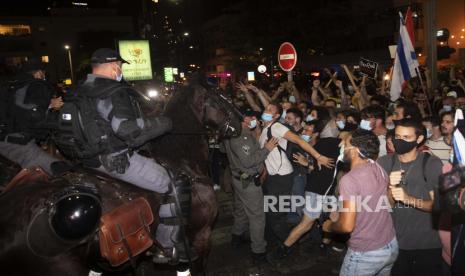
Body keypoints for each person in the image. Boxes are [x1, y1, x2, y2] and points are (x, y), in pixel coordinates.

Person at [58, 48, 189, 264]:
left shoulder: (78, 89)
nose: (120, 70)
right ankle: (168, 247)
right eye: (120, 65)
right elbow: (125, 129)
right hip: (114, 160)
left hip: (85, 159)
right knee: (175, 183)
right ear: (113, 66)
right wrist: (162, 123)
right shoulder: (112, 90)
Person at [322, 129, 398, 276]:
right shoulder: (377, 167)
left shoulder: (349, 180)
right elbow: (382, 203)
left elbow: (346, 226)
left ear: (355, 150)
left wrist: (329, 226)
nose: (341, 147)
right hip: (389, 244)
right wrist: (343, 212)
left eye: (344, 143)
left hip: (366, 253)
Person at [268, 117, 341, 263]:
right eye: (333, 122)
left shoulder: (332, 144)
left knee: (334, 218)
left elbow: (325, 169)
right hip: (318, 190)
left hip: (325, 190)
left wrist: (308, 164)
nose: (335, 125)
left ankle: (323, 245)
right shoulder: (325, 144)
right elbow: (321, 170)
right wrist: (308, 164)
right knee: (307, 223)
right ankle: (282, 250)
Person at [259, 102, 334, 242]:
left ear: (276, 116)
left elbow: (299, 140)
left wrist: (318, 156)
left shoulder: (277, 126)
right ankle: (280, 239)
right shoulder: (266, 129)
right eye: (266, 108)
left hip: (281, 177)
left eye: (270, 109)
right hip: (274, 177)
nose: (266, 110)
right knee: (273, 210)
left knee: (277, 212)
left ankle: (288, 242)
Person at [377, 119, 444, 276]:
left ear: (419, 139)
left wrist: (409, 199)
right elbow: (383, 206)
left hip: (427, 244)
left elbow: (438, 206)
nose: (400, 141)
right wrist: (390, 188)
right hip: (393, 243)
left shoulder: (431, 163)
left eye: (406, 138)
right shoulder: (384, 162)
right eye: (397, 137)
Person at [222, 109, 278, 265]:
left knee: (241, 210)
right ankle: (258, 252)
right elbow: (248, 161)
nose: (256, 119)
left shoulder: (232, 132)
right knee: (257, 217)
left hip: (239, 179)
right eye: (252, 117)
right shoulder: (242, 136)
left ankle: (237, 236)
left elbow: (223, 150)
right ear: (244, 119)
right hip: (247, 182)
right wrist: (267, 149)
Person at [0, 59, 63, 175]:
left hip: (6, 137)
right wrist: (51, 108)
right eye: (43, 73)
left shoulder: (13, 85)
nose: (44, 76)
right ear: (38, 73)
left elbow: (18, 108)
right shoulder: (36, 85)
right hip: (17, 142)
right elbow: (34, 115)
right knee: (59, 170)